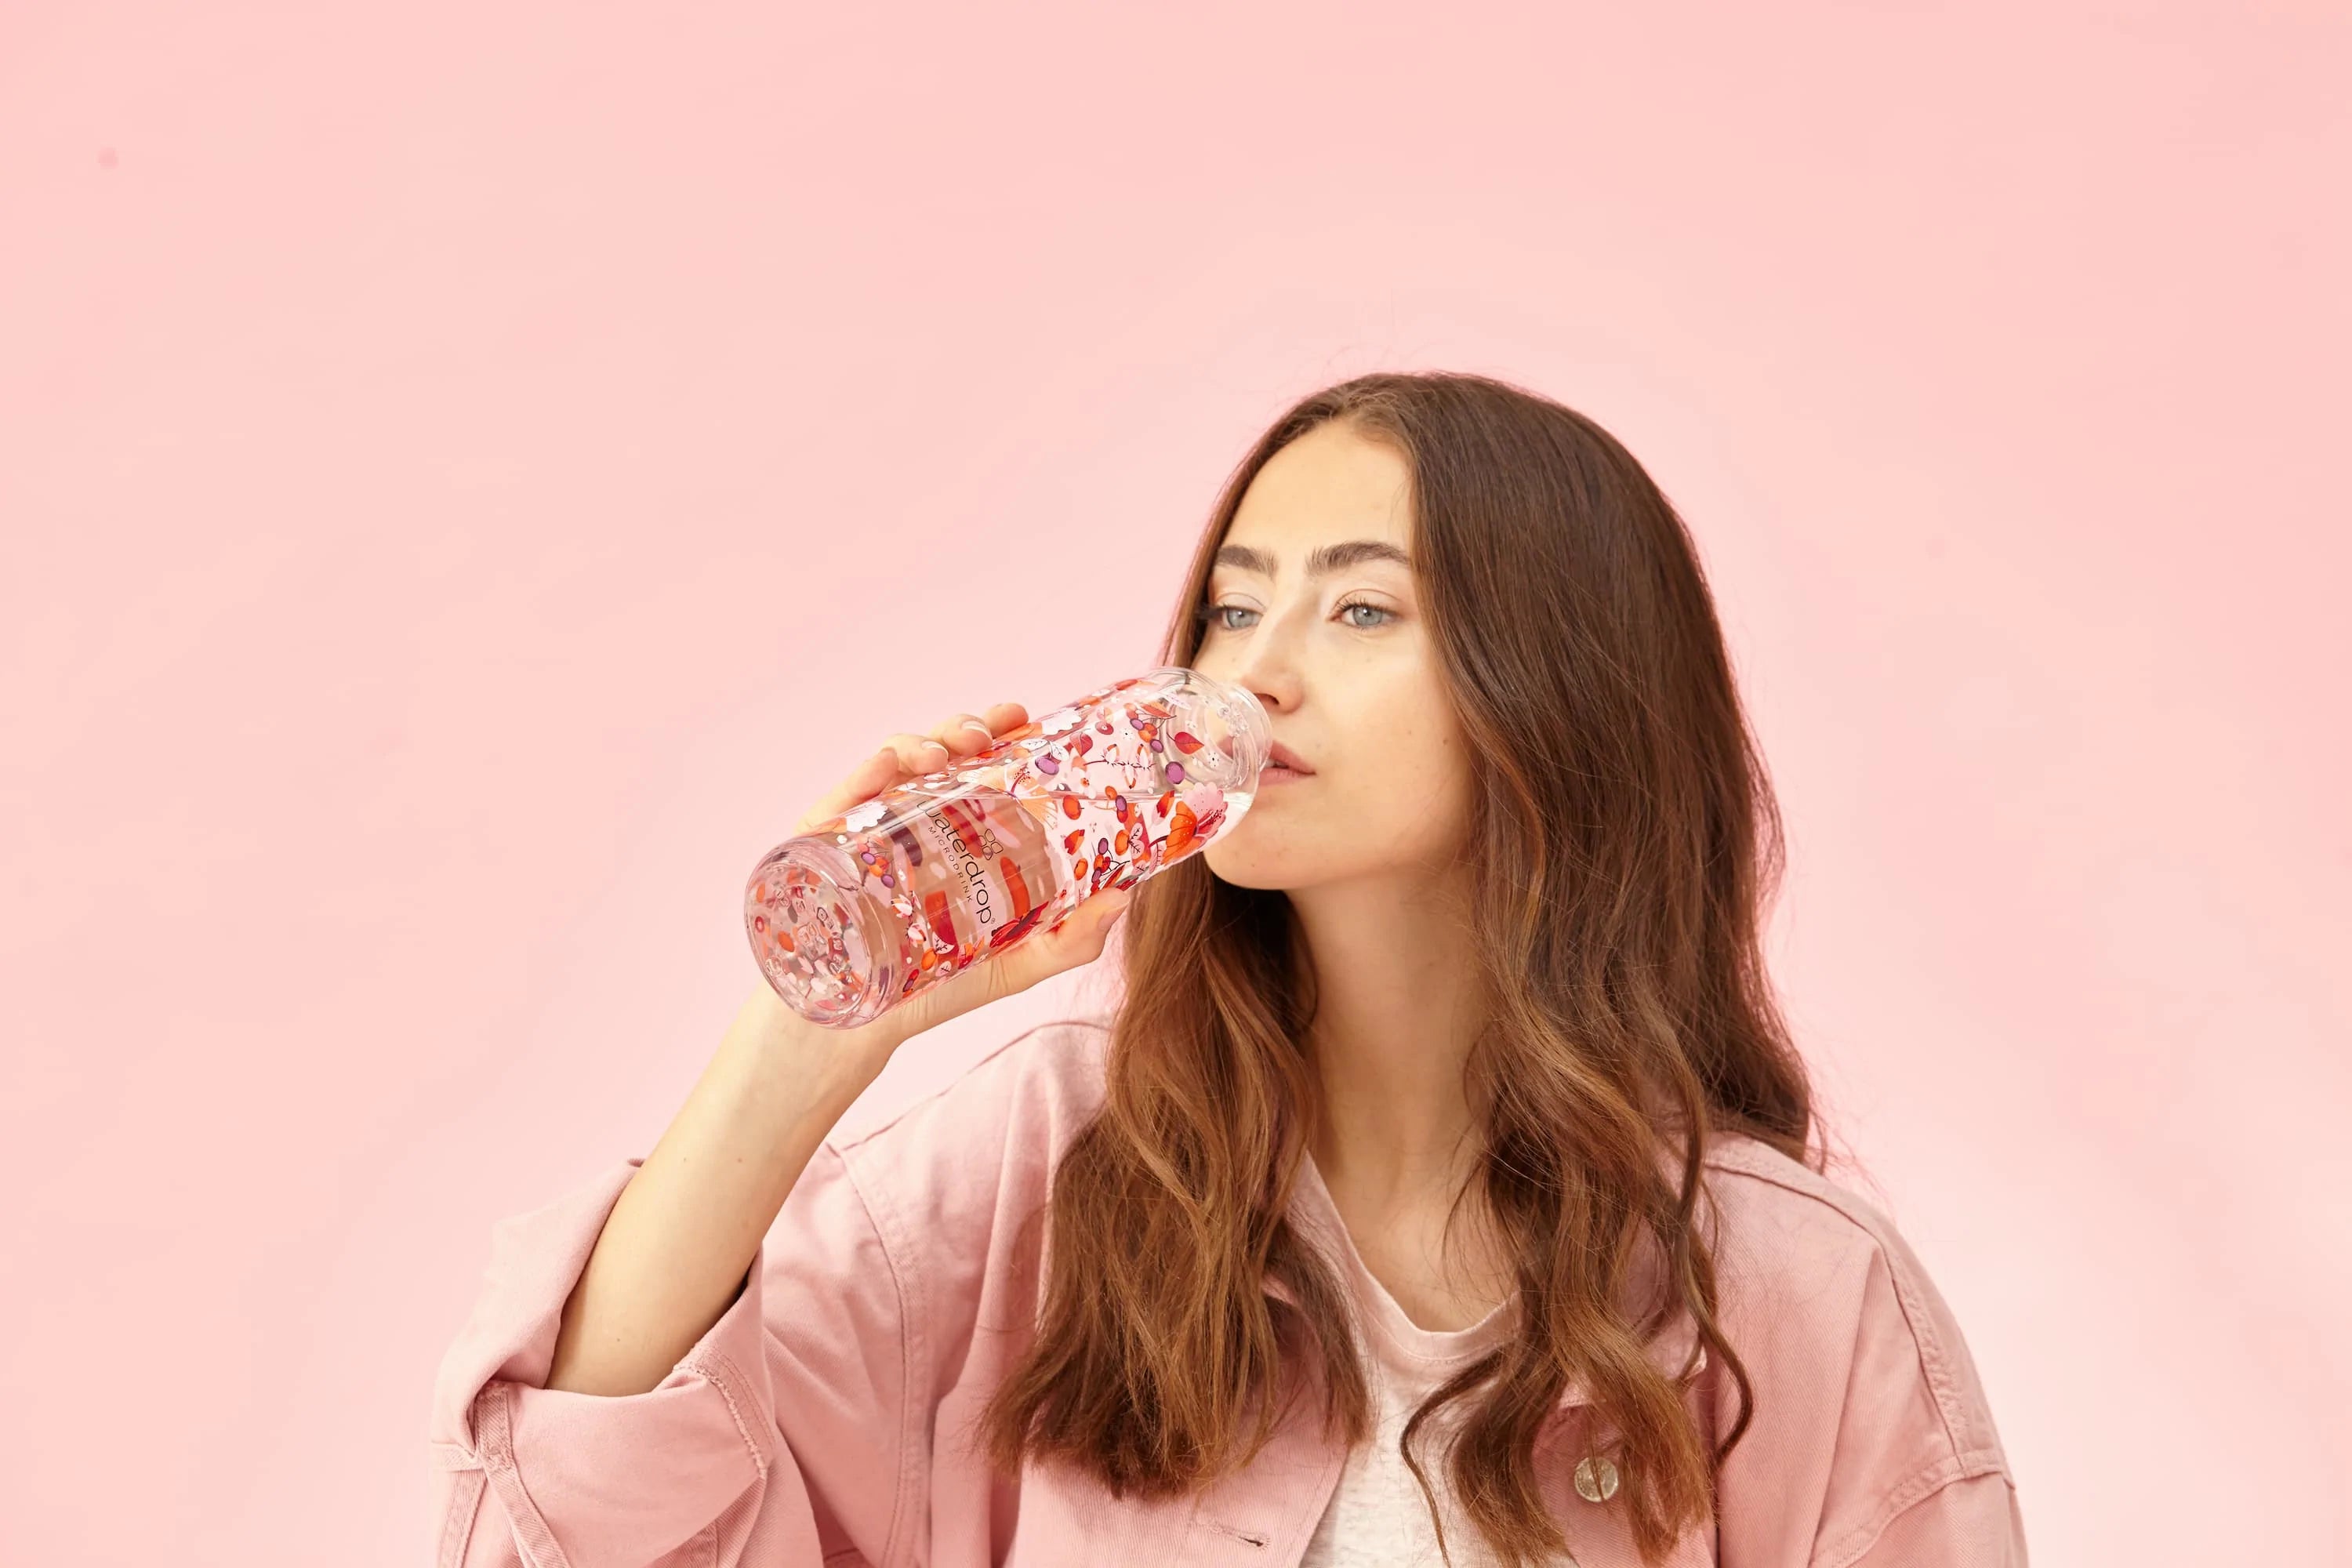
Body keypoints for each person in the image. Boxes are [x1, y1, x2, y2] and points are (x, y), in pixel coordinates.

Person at [427, 372, 2029, 1568]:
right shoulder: (1049, 1168)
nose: (1251, 672)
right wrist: (809, 1031)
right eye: (1231, 601)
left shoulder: (1790, 1292)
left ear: (1559, 692)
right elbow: (571, 1523)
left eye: (1361, 607)